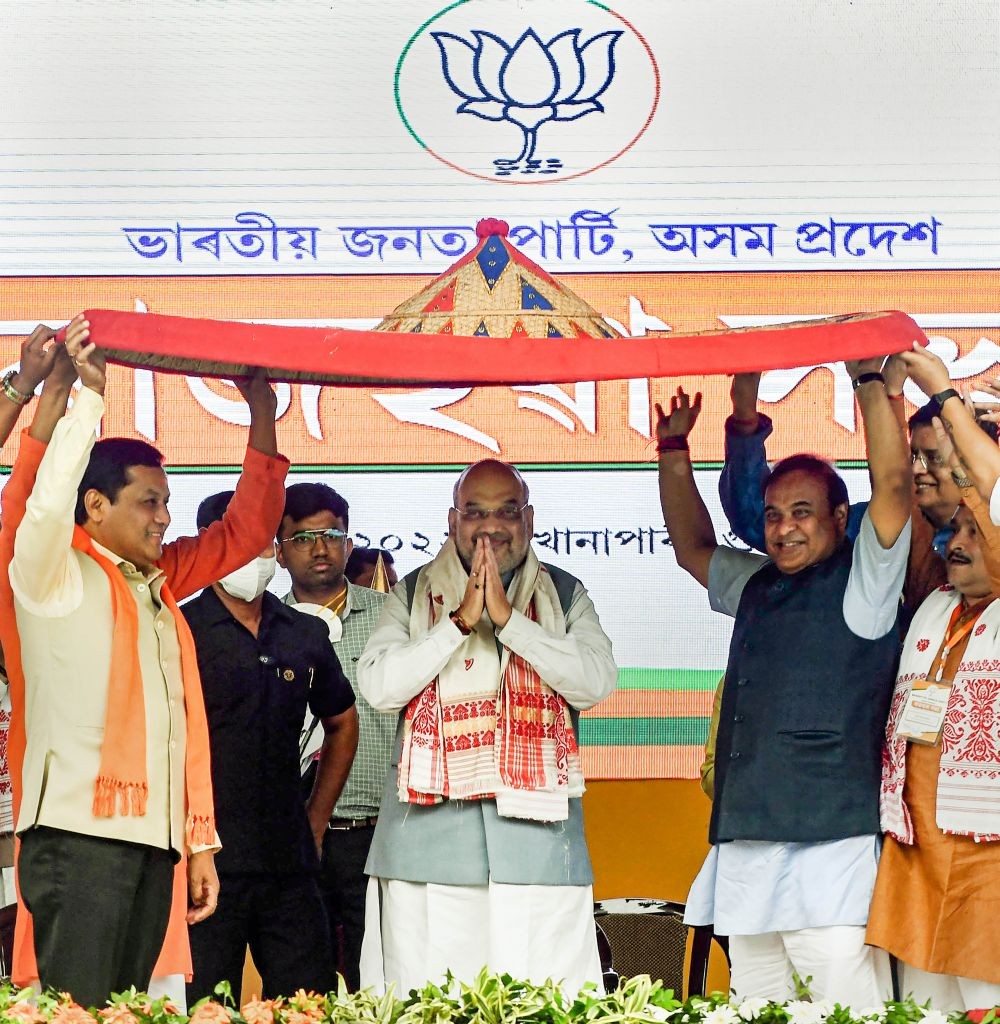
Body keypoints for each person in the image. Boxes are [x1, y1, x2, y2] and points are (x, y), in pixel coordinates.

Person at [0, 317, 289, 1006]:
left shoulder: (158, 582)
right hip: (76, 837)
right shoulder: (47, 572)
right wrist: (72, 403)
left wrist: (261, 414)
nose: (165, 519)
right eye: (149, 502)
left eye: (167, 502)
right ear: (94, 506)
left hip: (152, 842)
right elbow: (36, 507)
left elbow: (248, 529)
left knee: (123, 1014)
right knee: (74, 1013)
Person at [656, 358, 912, 1006]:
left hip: (833, 847)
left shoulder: (868, 583)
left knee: (846, 1008)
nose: (783, 527)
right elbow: (691, 547)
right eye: (772, 514)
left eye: (802, 512)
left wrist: (867, 385)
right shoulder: (756, 584)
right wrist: (672, 449)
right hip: (746, 845)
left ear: (838, 516)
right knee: (757, 1006)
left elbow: (895, 487)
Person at [357, 459, 617, 996]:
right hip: (425, 849)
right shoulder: (412, 595)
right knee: (429, 1002)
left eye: (506, 511)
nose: (490, 526)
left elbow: (594, 683)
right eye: (475, 512)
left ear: (529, 519)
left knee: (544, 1002)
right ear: (453, 521)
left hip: (539, 849)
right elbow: (380, 687)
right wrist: (457, 623)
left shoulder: (564, 595)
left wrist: (509, 622)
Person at [864, 344, 1000, 1010]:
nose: (960, 543)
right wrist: (875, 390)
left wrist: (943, 391)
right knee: (918, 1010)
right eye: (957, 532)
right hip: (917, 845)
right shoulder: (938, 599)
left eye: (977, 530)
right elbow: (891, 483)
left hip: (988, 855)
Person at [183, 490, 358, 1001]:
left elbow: (342, 723)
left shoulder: (302, 632)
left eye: (264, 543)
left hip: (290, 861)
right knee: (206, 1009)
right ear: (210, 547)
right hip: (205, 862)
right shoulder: (181, 627)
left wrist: (317, 819)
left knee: (309, 1004)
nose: (256, 556)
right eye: (241, 542)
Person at [276, 483, 390, 990]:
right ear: (278, 550)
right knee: (306, 982)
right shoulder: (265, 624)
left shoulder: (395, 618)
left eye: (331, 534)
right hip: (295, 834)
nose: (319, 548)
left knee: (384, 981)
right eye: (301, 538)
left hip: (383, 831)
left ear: (349, 541)